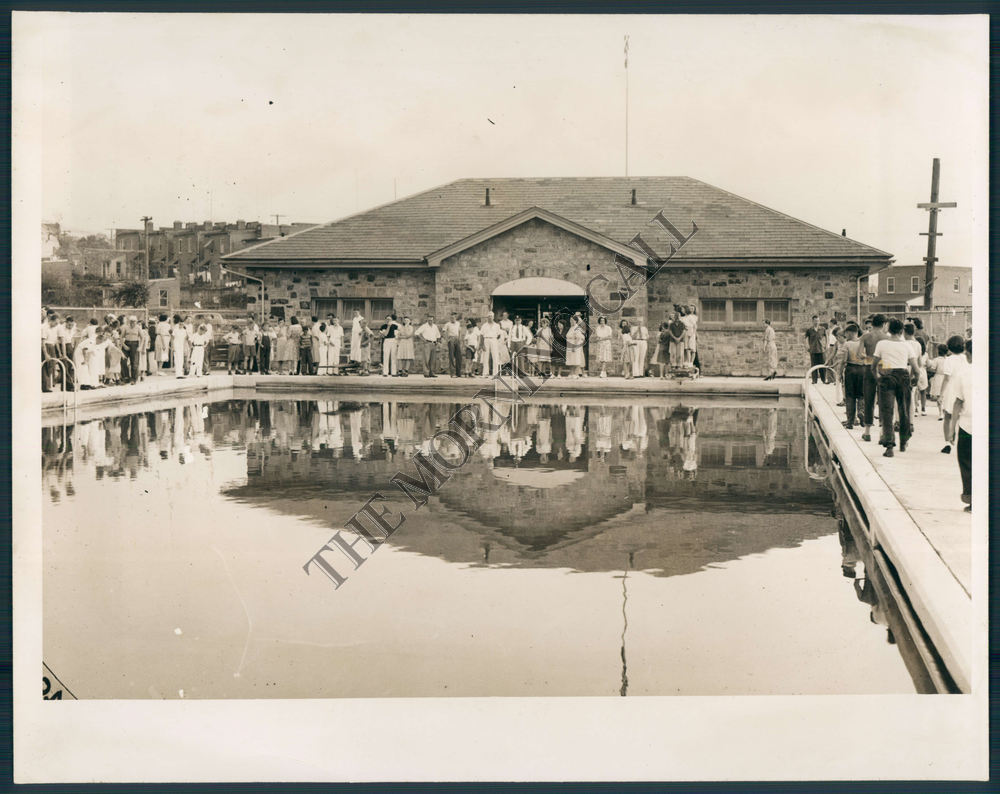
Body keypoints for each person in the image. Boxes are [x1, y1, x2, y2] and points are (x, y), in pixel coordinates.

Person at [872, 318, 919, 457]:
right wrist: (914, 379)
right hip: (903, 376)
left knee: (887, 412)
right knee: (904, 410)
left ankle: (889, 446)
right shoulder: (907, 346)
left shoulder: (881, 344)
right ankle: (903, 441)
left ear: (888, 329)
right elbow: (916, 369)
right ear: (901, 331)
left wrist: (878, 378)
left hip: (887, 376)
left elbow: (873, 366)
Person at [945, 339, 972, 511]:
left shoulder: (964, 373)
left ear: (968, 354)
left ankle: (971, 497)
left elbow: (957, 403)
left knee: (966, 461)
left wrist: (952, 429)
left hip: (967, 426)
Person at [858, 314, 888, 442]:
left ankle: (867, 431)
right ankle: (882, 431)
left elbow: (859, 354)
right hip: (884, 368)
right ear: (884, 324)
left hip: (869, 367)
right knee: (883, 399)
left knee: (868, 399)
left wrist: (868, 358)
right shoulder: (887, 338)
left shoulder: (865, 336)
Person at [938, 335, 971, 454]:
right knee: (961, 417)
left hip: (951, 389)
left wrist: (941, 394)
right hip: (963, 389)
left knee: (948, 416)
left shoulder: (949, 359)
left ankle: (948, 442)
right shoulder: (965, 358)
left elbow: (947, 378)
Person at [841, 324, 866, 429]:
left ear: (850, 333)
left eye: (846, 333)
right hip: (862, 369)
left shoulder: (847, 344)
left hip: (851, 369)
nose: (845, 335)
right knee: (861, 394)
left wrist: (839, 372)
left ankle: (850, 422)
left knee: (850, 396)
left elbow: (844, 359)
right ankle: (861, 412)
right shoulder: (863, 343)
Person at [927, 343, 949, 419]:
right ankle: (945, 411)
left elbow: (933, 369)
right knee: (945, 395)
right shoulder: (948, 360)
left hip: (938, 377)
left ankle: (940, 413)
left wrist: (928, 368)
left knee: (939, 396)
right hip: (947, 377)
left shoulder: (936, 360)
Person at [804, 315, 827, 383]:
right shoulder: (809, 330)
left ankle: (823, 380)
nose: (816, 322)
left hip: (821, 350)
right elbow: (805, 338)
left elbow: (827, 337)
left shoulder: (822, 329)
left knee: (822, 366)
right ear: (812, 321)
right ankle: (814, 380)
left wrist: (826, 345)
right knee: (814, 366)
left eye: (818, 321)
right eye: (815, 321)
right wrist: (806, 346)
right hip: (813, 350)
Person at [479, 312, 503, 377]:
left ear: (493, 317)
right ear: (487, 317)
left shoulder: (497, 325)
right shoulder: (484, 325)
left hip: (494, 339)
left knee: (495, 356)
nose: (490, 317)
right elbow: (481, 335)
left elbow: (499, 335)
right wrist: (482, 344)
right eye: (489, 316)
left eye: (491, 316)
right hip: (486, 339)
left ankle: (495, 373)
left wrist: (495, 340)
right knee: (485, 357)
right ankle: (485, 373)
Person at [443, 312, 464, 378]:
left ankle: (458, 373)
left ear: (455, 317)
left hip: (457, 339)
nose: (453, 318)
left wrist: (459, 338)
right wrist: (447, 339)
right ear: (450, 318)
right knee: (451, 356)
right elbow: (443, 332)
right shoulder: (447, 324)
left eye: (454, 317)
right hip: (451, 339)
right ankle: (452, 373)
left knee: (459, 357)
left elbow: (460, 331)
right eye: (451, 317)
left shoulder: (458, 323)